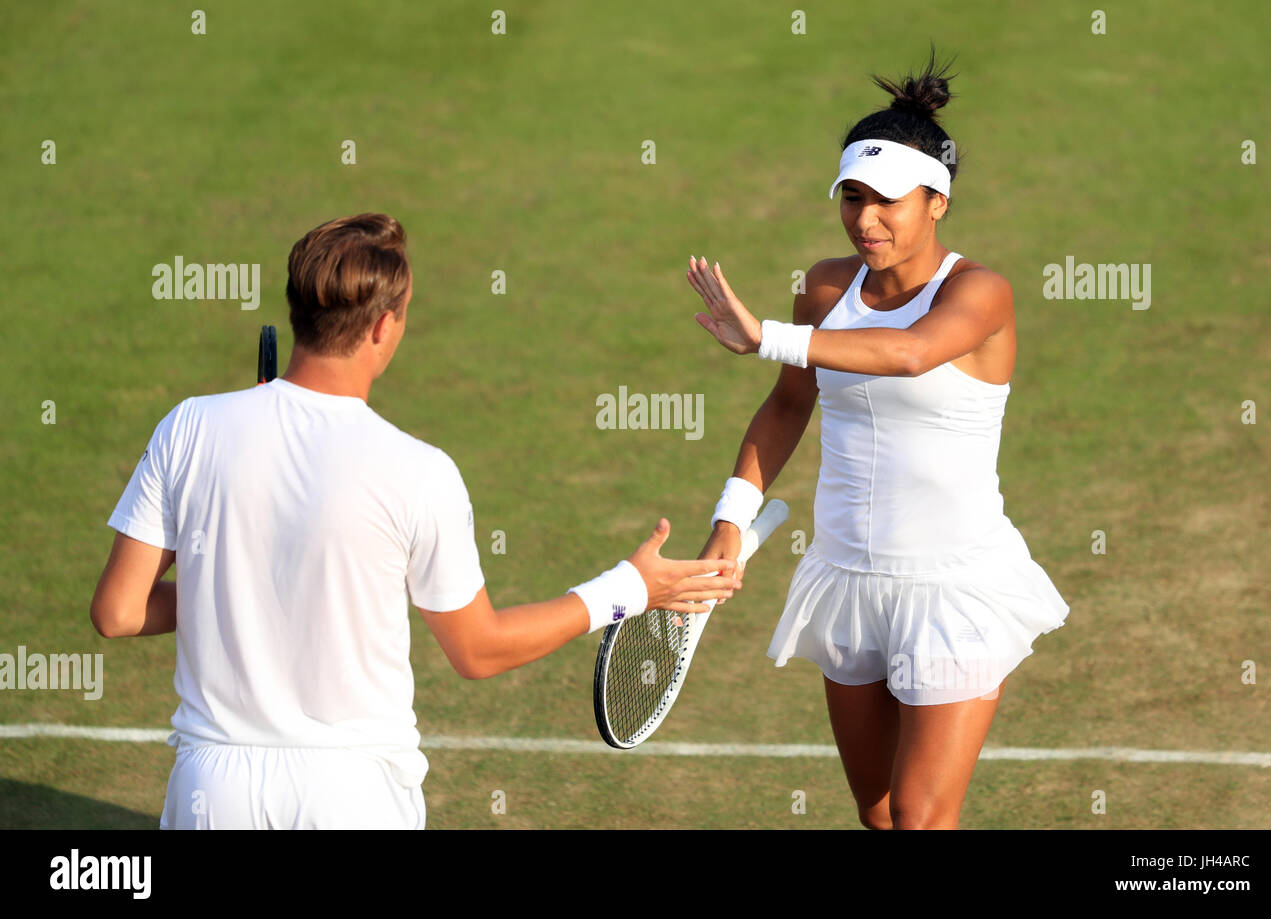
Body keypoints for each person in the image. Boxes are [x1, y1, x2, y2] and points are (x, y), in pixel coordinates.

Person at [90, 213, 739, 830]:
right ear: (382, 327)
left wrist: (236, 582)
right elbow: (477, 650)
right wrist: (628, 588)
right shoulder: (419, 471)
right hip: (355, 796)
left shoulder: (189, 428)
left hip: (213, 792)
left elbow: (117, 611)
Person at [687, 50, 1069, 830]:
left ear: (938, 202)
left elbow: (909, 353)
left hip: (951, 588)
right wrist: (731, 517)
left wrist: (771, 336)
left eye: (889, 201)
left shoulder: (979, 292)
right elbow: (789, 406)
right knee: (882, 813)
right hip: (848, 579)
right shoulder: (826, 289)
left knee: (925, 820)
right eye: (852, 197)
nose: (866, 220)